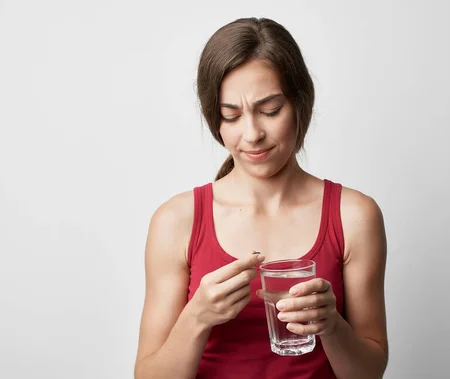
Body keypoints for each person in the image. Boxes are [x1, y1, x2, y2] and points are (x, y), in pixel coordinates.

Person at [134, 17, 388, 379]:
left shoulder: (355, 216)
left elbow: (369, 373)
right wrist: (197, 317)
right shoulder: (176, 221)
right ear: (215, 121)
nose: (252, 134)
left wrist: (331, 325)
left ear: (300, 104)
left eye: (270, 111)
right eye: (231, 116)